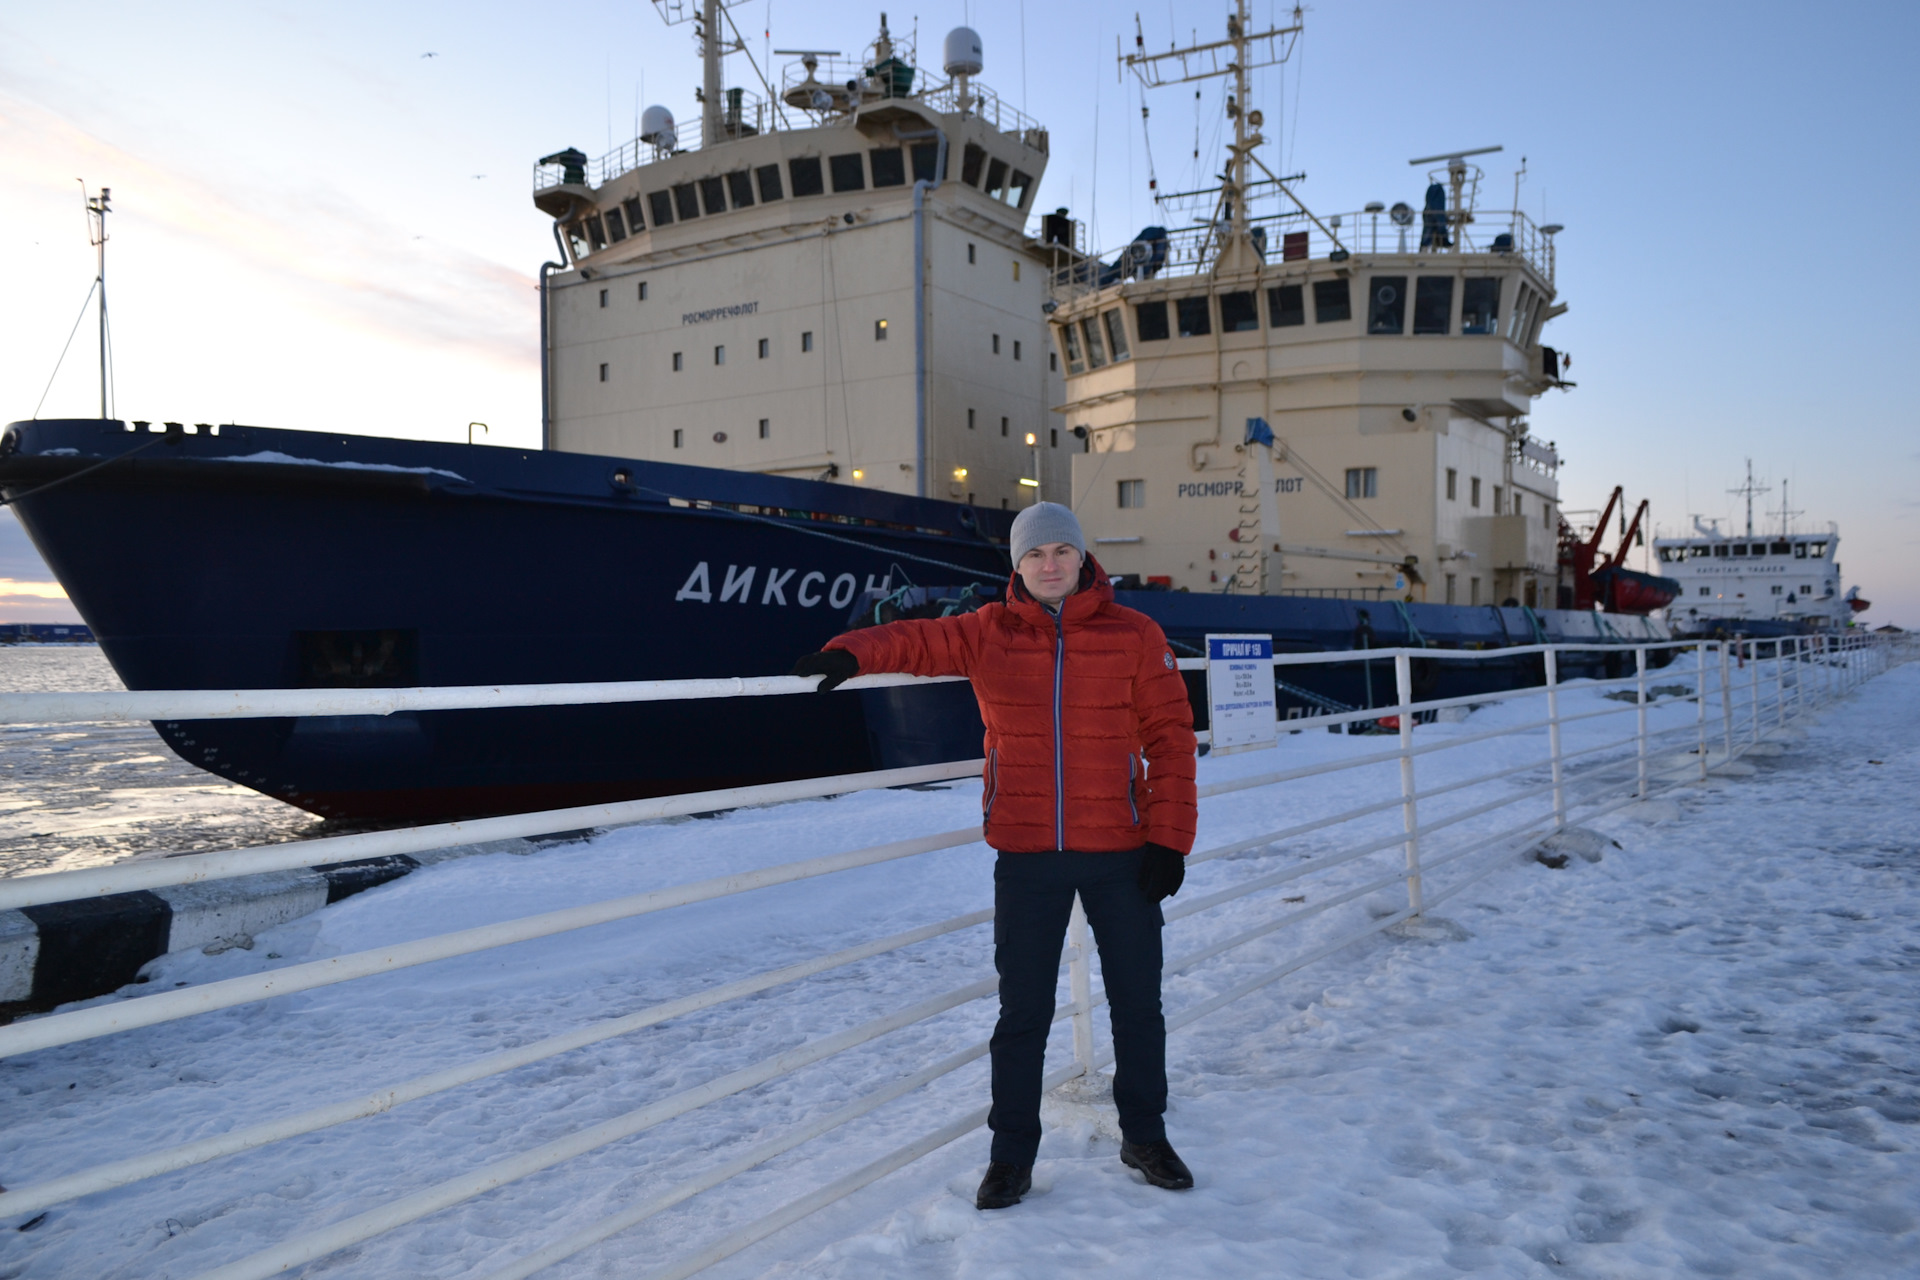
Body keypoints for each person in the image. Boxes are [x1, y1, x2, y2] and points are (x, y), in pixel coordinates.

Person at [791, 501, 1198, 1210]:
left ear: (1081, 558)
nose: (1049, 565)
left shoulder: (1136, 635)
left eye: (1060, 553)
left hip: (1123, 853)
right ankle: (1010, 1156)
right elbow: (916, 641)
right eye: (1034, 555)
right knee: (1023, 1016)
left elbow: (1170, 737)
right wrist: (850, 651)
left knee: (1138, 1006)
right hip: (1029, 854)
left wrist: (1168, 839)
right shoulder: (986, 632)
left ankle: (1145, 1134)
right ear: (1016, 566)